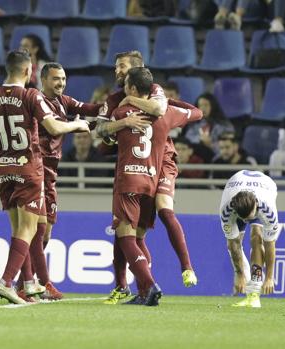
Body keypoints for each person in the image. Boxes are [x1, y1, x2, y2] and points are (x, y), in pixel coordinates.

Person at [0, 50, 90, 304]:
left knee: (18, 230)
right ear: (28, 71)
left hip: (3, 170)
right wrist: (78, 125)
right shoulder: (30, 95)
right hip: (28, 168)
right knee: (29, 229)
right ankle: (7, 282)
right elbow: (53, 127)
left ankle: (30, 283)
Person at [95, 51, 198, 304]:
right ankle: (138, 289)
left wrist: (120, 122)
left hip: (131, 176)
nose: (117, 71)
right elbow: (194, 112)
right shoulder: (162, 112)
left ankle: (149, 285)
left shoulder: (125, 108)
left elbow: (101, 139)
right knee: (135, 236)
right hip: (150, 177)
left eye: (122, 67)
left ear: (132, 78)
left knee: (125, 234)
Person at [15, 62, 104, 302]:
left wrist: (115, 104)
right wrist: (80, 125)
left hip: (52, 173)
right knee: (37, 227)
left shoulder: (64, 101)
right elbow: (55, 129)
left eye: (63, 79)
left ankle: (25, 281)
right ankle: (39, 283)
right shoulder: (37, 100)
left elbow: (89, 108)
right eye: (56, 79)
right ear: (43, 80)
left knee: (44, 235)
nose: (61, 83)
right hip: (37, 168)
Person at [220, 170, 281, 308]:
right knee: (235, 245)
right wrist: (239, 274)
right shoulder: (227, 210)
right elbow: (233, 244)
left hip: (266, 186)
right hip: (234, 185)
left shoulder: (268, 210)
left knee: (256, 236)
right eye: (244, 218)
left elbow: (270, 245)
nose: (248, 220)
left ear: (255, 206)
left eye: (250, 216)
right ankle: (245, 278)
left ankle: (254, 291)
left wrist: (270, 277)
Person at [184, 92, 234, 162]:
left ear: (213, 106)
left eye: (206, 105)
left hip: (219, 158)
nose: (203, 108)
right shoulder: (194, 124)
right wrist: (200, 139)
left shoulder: (224, 125)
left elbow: (228, 146)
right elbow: (188, 139)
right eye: (200, 105)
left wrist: (211, 144)